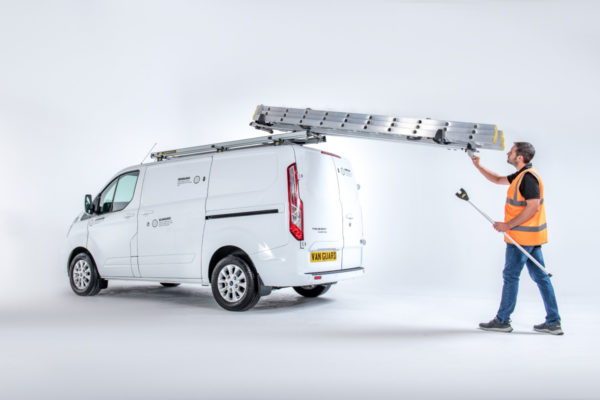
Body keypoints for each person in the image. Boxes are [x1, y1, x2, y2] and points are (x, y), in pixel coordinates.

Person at [472, 142, 563, 335]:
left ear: (520, 157)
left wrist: (507, 225)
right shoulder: (522, 175)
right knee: (541, 277)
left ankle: (502, 320)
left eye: (511, 152)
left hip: (521, 238)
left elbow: (533, 207)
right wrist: (478, 165)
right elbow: (497, 179)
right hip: (531, 237)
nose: (508, 153)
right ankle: (554, 322)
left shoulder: (528, 178)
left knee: (511, 276)